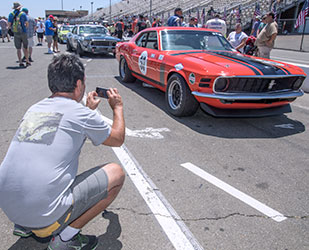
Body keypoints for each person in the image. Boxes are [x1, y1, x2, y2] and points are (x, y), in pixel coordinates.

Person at [0, 54, 125, 250]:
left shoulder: (35, 108)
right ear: (78, 84)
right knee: (116, 173)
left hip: (10, 206)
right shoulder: (80, 114)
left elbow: (64, 123)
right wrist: (117, 107)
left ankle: (24, 225)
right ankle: (66, 238)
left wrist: (87, 110)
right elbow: (118, 138)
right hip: (43, 214)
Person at [8, 2, 30, 67]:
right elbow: (26, 23)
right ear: (19, 7)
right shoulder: (23, 14)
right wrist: (25, 28)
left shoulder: (11, 14)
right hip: (23, 32)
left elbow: (9, 24)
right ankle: (27, 60)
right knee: (25, 47)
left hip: (16, 33)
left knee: (18, 48)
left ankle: (20, 61)